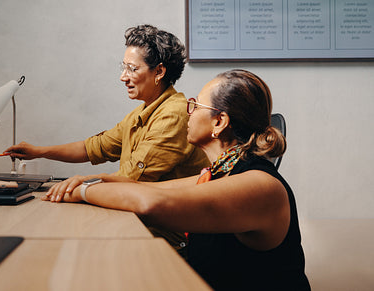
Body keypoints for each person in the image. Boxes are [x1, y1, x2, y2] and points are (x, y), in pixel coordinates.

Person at [43, 69, 311, 291]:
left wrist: (83, 191)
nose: (188, 112)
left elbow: (152, 204)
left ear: (219, 122)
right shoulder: (217, 173)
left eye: (195, 105)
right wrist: (97, 179)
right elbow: (149, 189)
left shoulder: (260, 186)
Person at [5, 24, 208, 253]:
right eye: (123, 68)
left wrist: (83, 184)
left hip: (169, 237)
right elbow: (94, 147)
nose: (123, 77)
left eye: (132, 69)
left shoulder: (174, 113)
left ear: (159, 72)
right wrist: (38, 151)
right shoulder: (141, 112)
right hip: (140, 222)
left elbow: (131, 177)